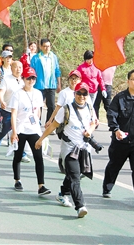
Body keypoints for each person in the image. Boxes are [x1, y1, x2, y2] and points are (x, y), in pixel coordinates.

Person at [35, 82, 97, 218]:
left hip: (84, 149)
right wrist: (41, 139)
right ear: (74, 94)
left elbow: (94, 123)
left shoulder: (90, 108)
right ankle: (80, 206)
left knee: (75, 174)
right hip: (69, 149)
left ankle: (62, 193)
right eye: (79, 93)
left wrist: (89, 131)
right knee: (75, 177)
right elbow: (53, 126)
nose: (82, 96)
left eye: (84, 93)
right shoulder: (66, 109)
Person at [102, 69, 134, 210]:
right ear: (128, 81)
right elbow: (111, 115)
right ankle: (107, 187)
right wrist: (116, 130)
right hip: (121, 141)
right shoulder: (120, 98)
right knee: (114, 165)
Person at [8, 66, 51, 196]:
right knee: (18, 155)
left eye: (33, 78)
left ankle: (41, 186)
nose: (31, 81)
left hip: (33, 130)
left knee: (38, 157)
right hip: (20, 129)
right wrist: (14, 132)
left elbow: (38, 110)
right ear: (23, 79)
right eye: (28, 78)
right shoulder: (18, 94)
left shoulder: (38, 93)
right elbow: (14, 114)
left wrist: (37, 122)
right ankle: (17, 180)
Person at [0, 60, 24, 155]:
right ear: (11, 68)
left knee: (21, 131)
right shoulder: (6, 79)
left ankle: (21, 153)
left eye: (20, 67)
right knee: (4, 130)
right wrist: (2, 101)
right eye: (16, 67)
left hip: (20, 111)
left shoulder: (24, 81)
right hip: (8, 110)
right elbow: (1, 92)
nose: (18, 69)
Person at [30, 38, 61, 124]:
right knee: (38, 105)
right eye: (45, 46)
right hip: (39, 85)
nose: (47, 48)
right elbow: (32, 72)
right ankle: (36, 122)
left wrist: (59, 84)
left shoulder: (53, 57)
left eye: (48, 46)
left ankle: (49, 123)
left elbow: (57, 71)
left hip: (51, 85)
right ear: (41, 46)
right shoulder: (36, 58)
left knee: (51, 106)